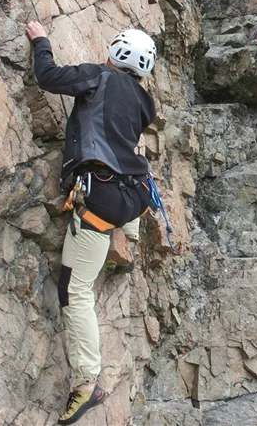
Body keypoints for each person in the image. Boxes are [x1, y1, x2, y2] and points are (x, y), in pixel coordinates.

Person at [26, 21, 157, 425]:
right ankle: (126, 240)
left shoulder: (98, 77)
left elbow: (47, 77)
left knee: (74, 288)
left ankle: (87, 384)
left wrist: (40, 40)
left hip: (102, 197)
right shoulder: (143, 100)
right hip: (135, 196)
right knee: (109, 223)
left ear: (115, 54)